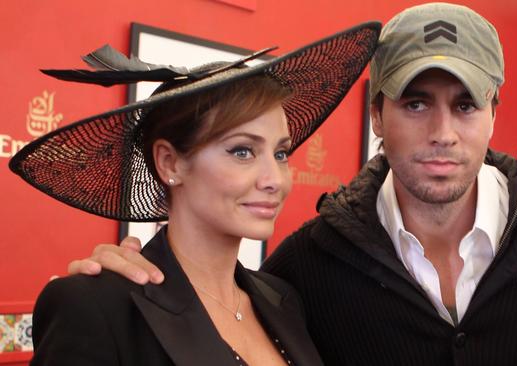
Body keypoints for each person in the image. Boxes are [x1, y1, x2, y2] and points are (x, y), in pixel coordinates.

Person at [66, 3, 517, 365]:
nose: (443, 132)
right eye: (416, 104)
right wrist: (121, 284)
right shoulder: (305, 269)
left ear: (495, 111)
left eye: (465, 106)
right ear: (375, 114)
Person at [10, 22, 379, 366]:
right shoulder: (95, 307)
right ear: (170, 163)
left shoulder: (284, 299)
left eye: (280, 153)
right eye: (242, 151)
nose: (275, 179)